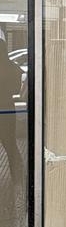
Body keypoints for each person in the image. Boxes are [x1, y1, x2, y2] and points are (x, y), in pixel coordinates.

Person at [0, 39, 23, 190]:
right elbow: (16, 89)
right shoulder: (13, 67)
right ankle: (18, 179)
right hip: (7, 109)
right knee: (10, 146)